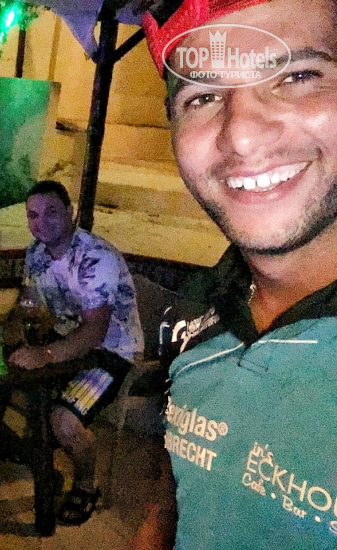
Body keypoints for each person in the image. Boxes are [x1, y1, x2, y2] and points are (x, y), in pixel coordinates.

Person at [131, 0, 337, 547]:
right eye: (202, 97)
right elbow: (172, 505)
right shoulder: (195, 312)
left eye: (297, 76)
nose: (241, 136)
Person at [3, 180, 144, 526]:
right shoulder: (36, 253)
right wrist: (17, 323)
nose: (41, 222)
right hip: (68, 335)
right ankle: (41, 459)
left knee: (63, 420)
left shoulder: (95, 257)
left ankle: (86, 484)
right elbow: (28, 300)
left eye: (51, 212)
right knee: (15, 380)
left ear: (71, 212)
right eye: (33, 215)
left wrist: (47, 354)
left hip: (113, 350)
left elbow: (96, 330)